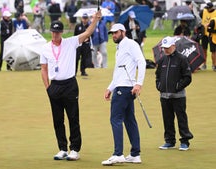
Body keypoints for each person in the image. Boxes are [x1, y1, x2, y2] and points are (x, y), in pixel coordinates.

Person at [40, 10, 102, 161]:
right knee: (57, 119)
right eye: (53, 32)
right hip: (54, 85)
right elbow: (43, 68)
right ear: (51, 32)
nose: (55, 35)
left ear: (62, 32)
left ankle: (74, 149)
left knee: (73, 117)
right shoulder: (45, 48)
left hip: (69, 84)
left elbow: (87, 33)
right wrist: (47, 87)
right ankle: (62, 148)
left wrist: (95, 20)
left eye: (58, 32)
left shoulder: (70, 42)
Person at [101, 23, 146, 166]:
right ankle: (135, 154)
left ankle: (118, 154)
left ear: (123, 32)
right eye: (112, 33)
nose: (114, 35)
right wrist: (110, 88)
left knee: (115, 119)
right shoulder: (119, 48)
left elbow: (142, 62)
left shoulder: (131, 44)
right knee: (129, 120)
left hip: (126, 88)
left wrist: (139, 83)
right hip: (123, 87)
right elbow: (118, 72)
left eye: (116, 32)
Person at [155, 36, 194, 151]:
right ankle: (170, 141)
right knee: (167, 119)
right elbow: (157, 75)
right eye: (164, 48)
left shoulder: (182, 59)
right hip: (164, 96)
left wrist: (178, 87)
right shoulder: (162, 60)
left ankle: (185, 141)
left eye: (167, 47)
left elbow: (187, 77)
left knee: (181, 118)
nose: (165, 50)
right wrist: (159, 85)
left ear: (173, 46)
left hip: (178, 96)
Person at [200, 2, 216, 70]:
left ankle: (214, 65)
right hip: (204, 34)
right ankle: (204, 64)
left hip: (212, 35)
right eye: (207, 8)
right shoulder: (203, 11)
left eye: (209, 8)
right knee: (204, 50)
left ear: (212, 7)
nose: (208, 9)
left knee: (213, 51)